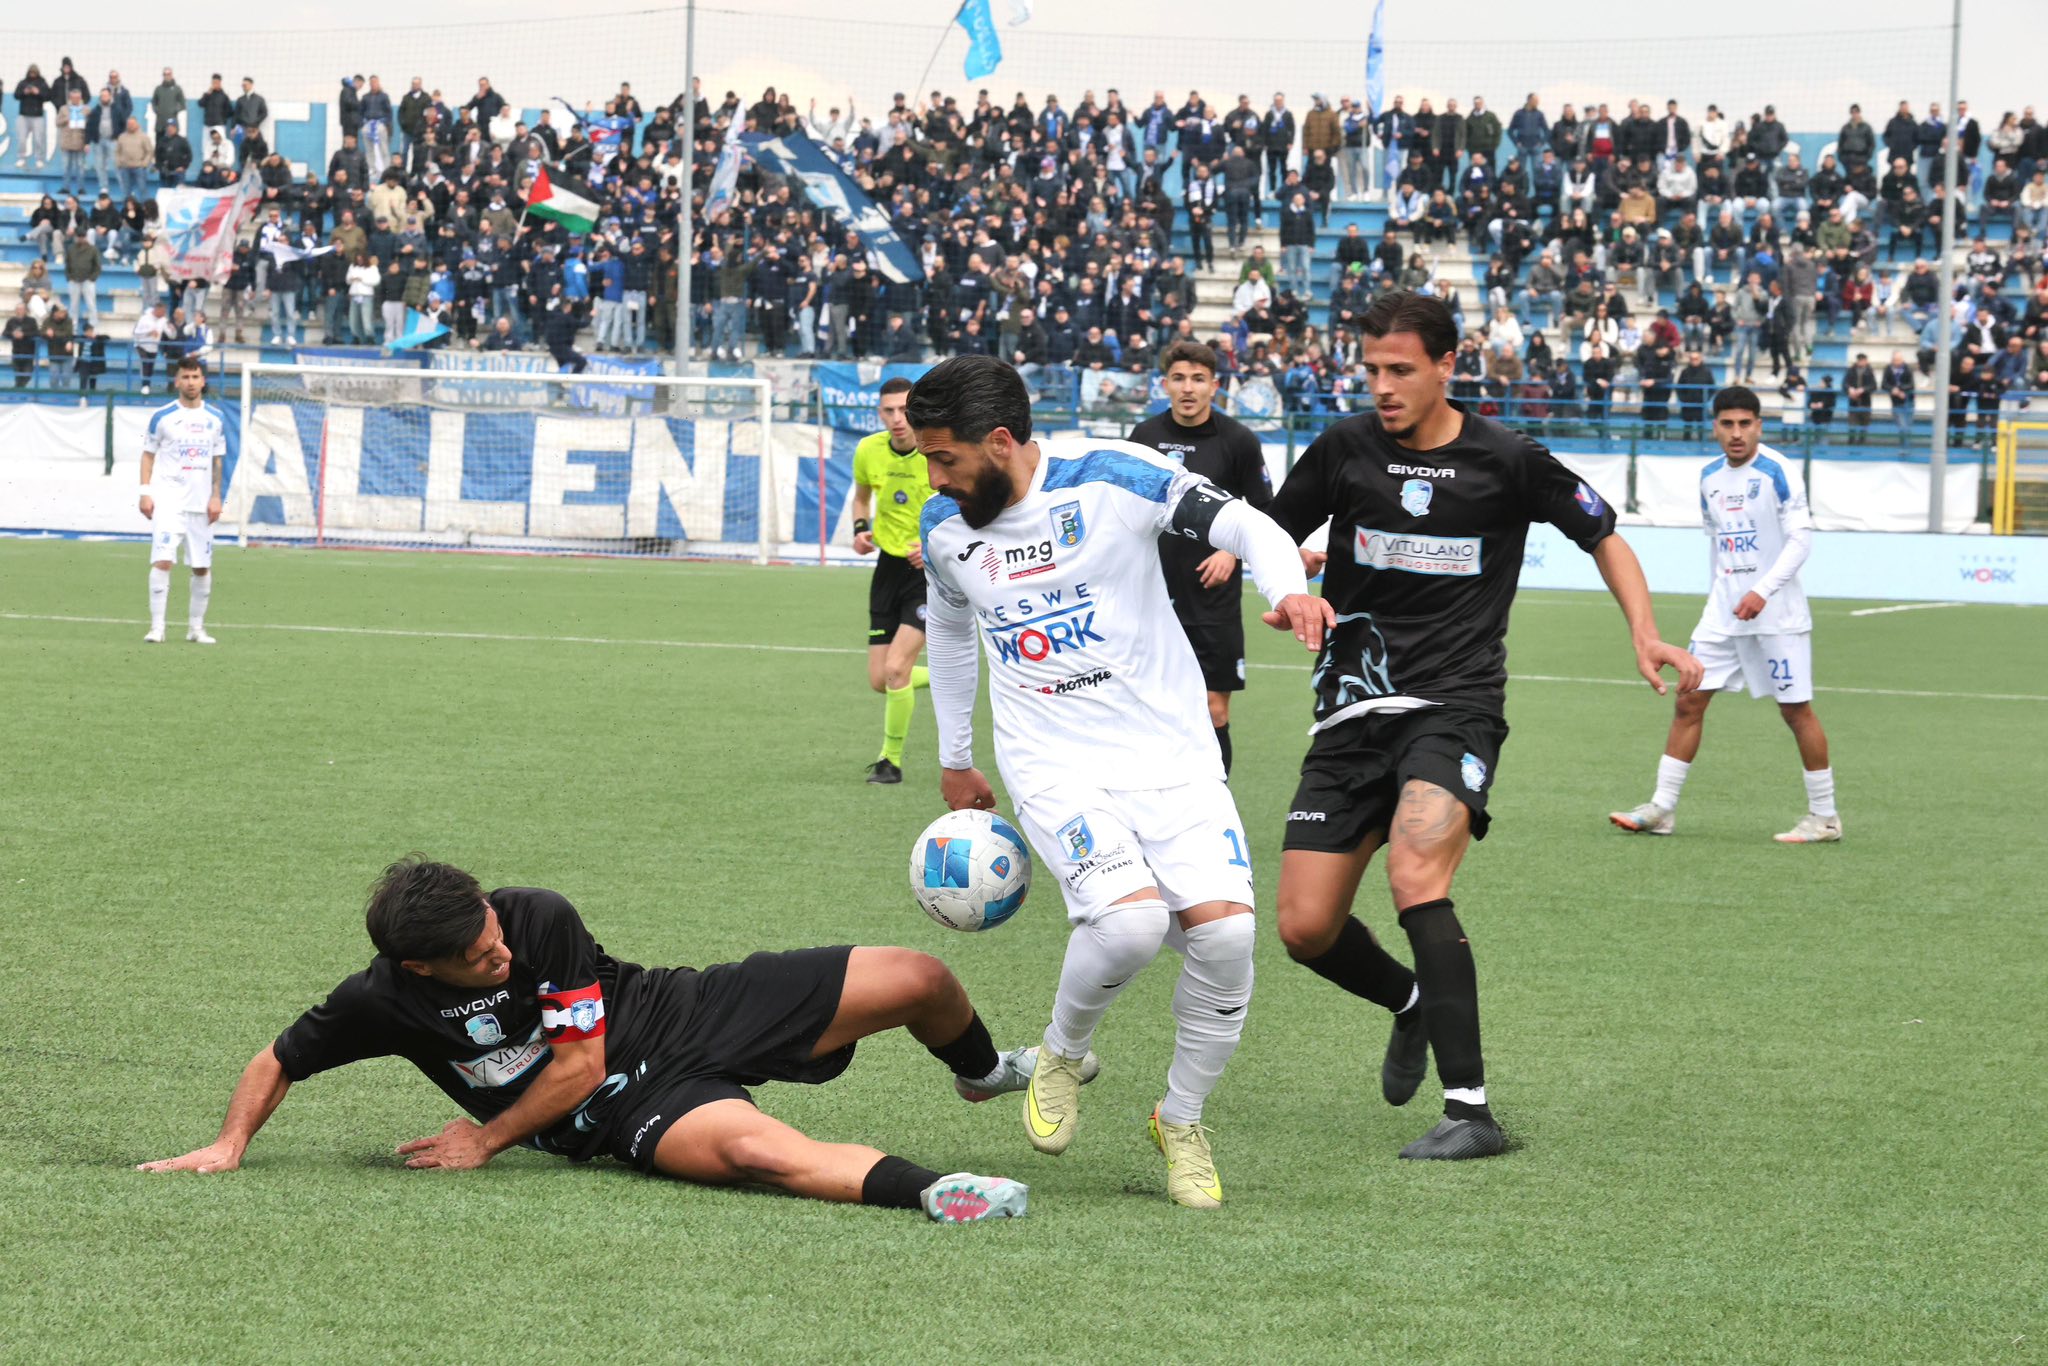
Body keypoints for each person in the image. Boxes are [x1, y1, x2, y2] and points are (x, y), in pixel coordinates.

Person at [1263, 292, 1702, 1161]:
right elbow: (1272, 537)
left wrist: (1644, 632)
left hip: (1455, 706)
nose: (1383, 386)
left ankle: (1471, 1111)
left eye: (1401, 370)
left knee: (1418, 870)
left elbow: (1603, 535)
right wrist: (1285, 589)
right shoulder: (1344, 448)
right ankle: (1412, 1003)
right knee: (1304, 929)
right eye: (1372, 370)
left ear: (1444, 368)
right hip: (1351, 711)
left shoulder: (1508, 459)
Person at [910, 354, 1326, 1208]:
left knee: (1226, 941)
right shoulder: (944, 530)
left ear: (999, 442)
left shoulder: (1112, 475)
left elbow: (1251, 528)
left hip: (1172, 754)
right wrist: (956, 756)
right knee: (1133, 926)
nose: (934, 476)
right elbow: (950, 638)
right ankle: (1060, 1056)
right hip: (1053, 761)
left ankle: (1179, 1119)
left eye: (944, 458)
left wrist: (1287, 589)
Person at [137, 857, 1030, 1224]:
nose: (501, 951)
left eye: (492, 928)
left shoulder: (537, 916)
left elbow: (579, 1053)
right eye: (478, 958)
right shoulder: (378, 1002)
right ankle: (939, 1194)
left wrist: (484, 1137)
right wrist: (229, 1144)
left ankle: (984, 1072)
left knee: (917, 977)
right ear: (418, 970)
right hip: (622, 1111)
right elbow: (278, 1059)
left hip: (681, 1011)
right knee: (764, 1154)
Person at [1611, 386, 1840, 843]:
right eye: (1727, 424)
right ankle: (1663, 808)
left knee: (1796, 711)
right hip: (1722, 615)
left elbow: (1801, 540)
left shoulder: (1778, 471)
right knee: (1688, 700)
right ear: (1714, 426)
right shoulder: (1709, 478)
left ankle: (1825, 818)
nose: (1736, 433)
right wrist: (1722, 596)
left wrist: (1761, 590)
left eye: (1745, 424)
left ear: (1759, 425)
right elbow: (1718, 546)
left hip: (1777, 614)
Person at [1125, 341, 1274, 775]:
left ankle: (1214, 816)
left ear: (1215, 385)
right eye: (1178, 378)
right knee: (1150, 714)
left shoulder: (1239, 441)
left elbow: (1265, 512)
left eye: (1198, 379)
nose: (1188, 388)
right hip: (1149, 597)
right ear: (1164, 384)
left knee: (1214, 712)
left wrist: (1231, 549)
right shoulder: (1144, 438)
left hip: (1212, 601)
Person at [849, 377, 935, 785]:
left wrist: (933, 544)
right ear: (879, 413)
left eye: (905, 410)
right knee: (880, 680)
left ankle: (890, 761)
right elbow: (862, 496)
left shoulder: (937, 450)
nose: (898, 419)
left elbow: (963, 504)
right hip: (887, 569)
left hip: (927, 573)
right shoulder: (868, 450)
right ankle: (949, 678)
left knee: (897, 671)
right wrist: (860, 529)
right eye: (889, 411)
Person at [138, 356, 226, 645]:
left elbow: (217, 461)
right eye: (185, 377)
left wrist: (216, 496)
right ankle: (157, 627)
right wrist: (145, 492)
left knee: (201, 566)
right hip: (169, 501)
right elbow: (148, 455)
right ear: (177, 381)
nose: (190, 382)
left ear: (203, 381)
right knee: (163, 560)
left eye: (195, 377)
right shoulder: (162, 417)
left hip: (201, 505)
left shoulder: (214, 419)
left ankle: (196, 629)